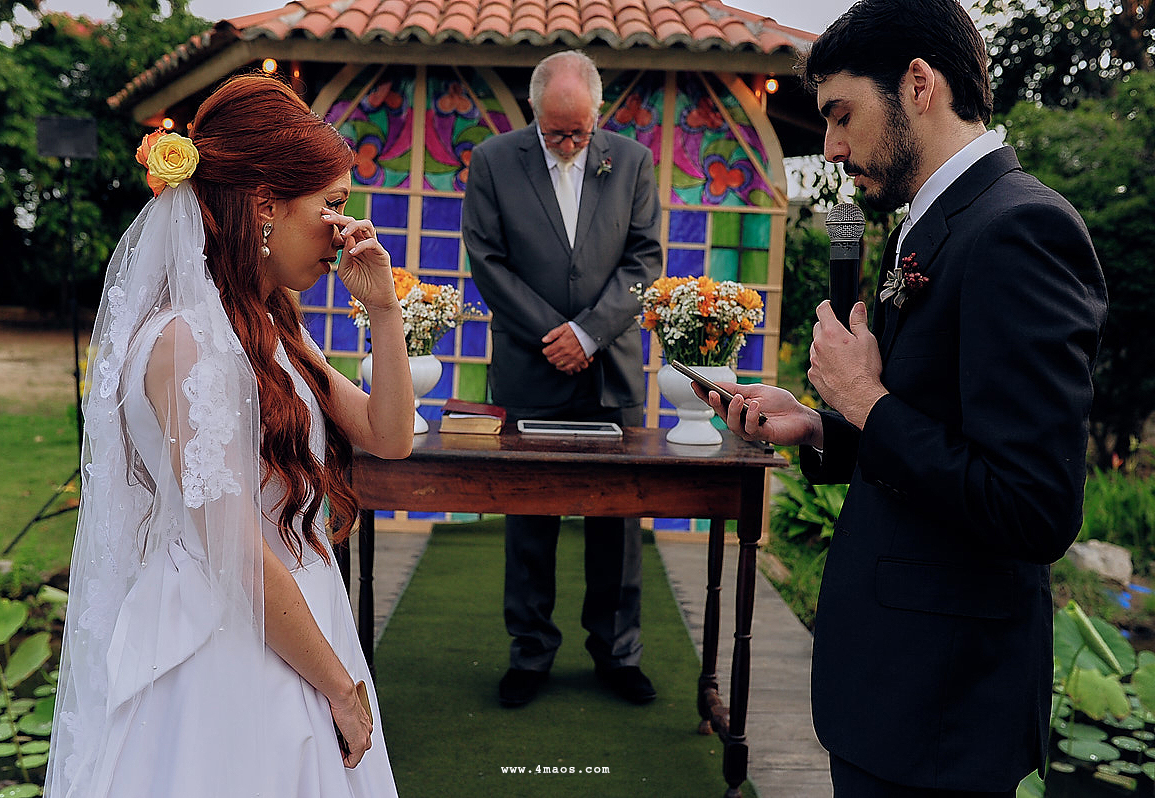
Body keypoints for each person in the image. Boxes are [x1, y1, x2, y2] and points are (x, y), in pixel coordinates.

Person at [700, 1, 1108, 795]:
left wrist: (866, 400)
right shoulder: (933, 223)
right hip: (897, 691)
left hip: (946, 712)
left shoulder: (1021, 230)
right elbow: (933, 426)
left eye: (841, 114)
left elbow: (1034, 507)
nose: (831, 145)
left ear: (919, 84)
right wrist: (821, 425)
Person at [47, 74, 415, 798]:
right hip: (229, 644)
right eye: (332, 207)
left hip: (300, 618)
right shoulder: (186, 342)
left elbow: (388, 434)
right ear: (264, 206)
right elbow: (235, 550)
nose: (346, 231)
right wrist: (341, 688)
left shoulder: (269, 322)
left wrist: (384, 313)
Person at [461, 50, 662, 708]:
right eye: (557, 133)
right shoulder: (493, 161)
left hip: (611, 367)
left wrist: (589, 334)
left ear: (598, 115)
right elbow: (486, 259)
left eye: (580, 131)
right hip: (528, 361)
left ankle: (617, 650)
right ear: (534, 112)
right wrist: (556, 334)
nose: (571, 144)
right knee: (530, 513)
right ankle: (530, 652)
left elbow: (644, 259)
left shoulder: (632, 160)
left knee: (618, 518)